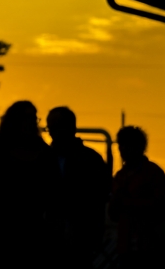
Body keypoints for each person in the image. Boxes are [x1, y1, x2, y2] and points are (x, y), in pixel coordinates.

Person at [0, 100, 58, 269]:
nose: (30, 122)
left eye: (34, 118)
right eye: (26, 117)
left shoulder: (43, 151)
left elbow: (54, 191)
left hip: (32, 230)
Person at [45, 106, 109, 268]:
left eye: (56, 126)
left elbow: (97, 200)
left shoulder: (90, 160)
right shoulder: (43, 158)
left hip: (81, 238)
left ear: (71, 127)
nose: (52, 132)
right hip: (49, 239)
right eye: (50, 127)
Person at [109, 126, 165, 269]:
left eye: (126, 144)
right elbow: (114, 214)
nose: (122, 149)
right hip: (126, 247)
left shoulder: (153, 173)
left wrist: (126, 202)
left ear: (139, 146)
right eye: (120, 144)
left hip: (148, 247)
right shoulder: (120, 176)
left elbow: (159, 208)